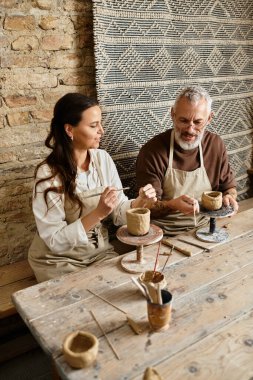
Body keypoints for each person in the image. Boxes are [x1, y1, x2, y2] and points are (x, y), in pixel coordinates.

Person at [28, 93, 156, 282]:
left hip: (98, 252)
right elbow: (55, 242)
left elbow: (119, 214)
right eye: (93, 125)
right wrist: (98, 213)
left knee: (124, 287)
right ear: (69, 130)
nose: (101, 131)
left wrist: (139, 203)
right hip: (58, 260)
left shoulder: (102, 159)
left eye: (100, 124)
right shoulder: (48, 175)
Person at [136, 85, 238, 236]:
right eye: (183, 120)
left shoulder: (215, 145)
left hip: (207, 226)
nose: (190, 130)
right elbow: (145, 207)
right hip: (164, 232)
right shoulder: (152, 151)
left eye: (197, 122)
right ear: (173, 114)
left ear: (209, 118)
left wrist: (230, 197)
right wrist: (172, 205)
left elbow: (229, 188)